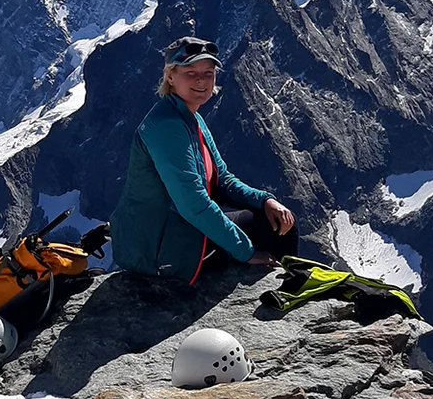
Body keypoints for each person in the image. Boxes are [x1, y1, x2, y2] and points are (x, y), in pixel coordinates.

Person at [109, 36, 299, 282]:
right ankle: (286, 296)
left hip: (179, 230)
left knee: (276, 220)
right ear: (170, 76)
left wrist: (265, 201)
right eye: (190, 72)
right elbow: (193, 205)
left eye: (208, 73)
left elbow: (222, 180)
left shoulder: (190, 118)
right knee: (274, 232)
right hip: (160, 253)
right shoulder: (167, 127)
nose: (201, 80)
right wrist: (246, 251)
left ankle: (286, 290)